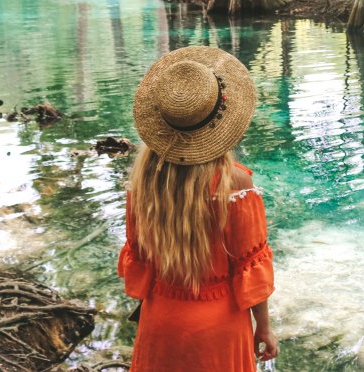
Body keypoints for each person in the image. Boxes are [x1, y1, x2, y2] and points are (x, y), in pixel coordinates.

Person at [119, 46, 279, 370]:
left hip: (160, 320)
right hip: (220, 327)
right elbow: (249, 265)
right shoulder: (234, 184)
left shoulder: (145, 182)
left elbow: (139, 258)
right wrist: (264, 327)